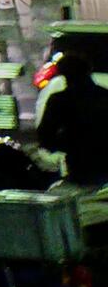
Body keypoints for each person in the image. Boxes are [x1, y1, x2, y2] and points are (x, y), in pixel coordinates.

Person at [38, 51, 108, 186]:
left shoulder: (60, 100)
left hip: (79, 164)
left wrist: (67, 144)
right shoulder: (104, 95)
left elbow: (45, 135)